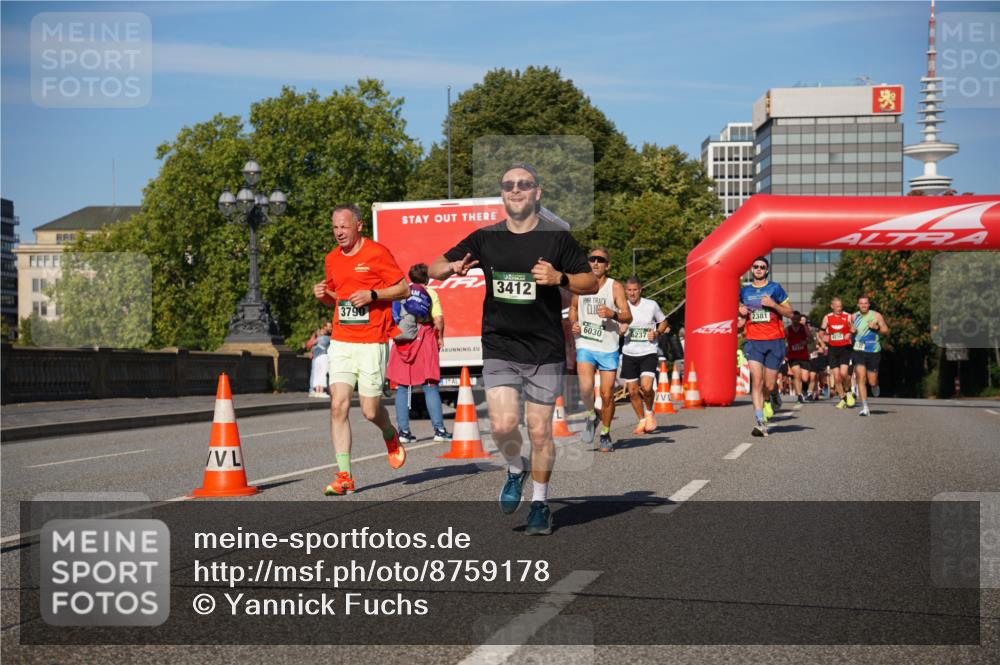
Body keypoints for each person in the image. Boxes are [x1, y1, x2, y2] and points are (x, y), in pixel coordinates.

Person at [429, 163, 597, 536]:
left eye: (524, 184)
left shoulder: (557, 240)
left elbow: (590, 282)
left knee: (540, 432)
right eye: (508, 185)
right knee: (505, 426)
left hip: (544, 350)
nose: (516, 190)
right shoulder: (486, 239)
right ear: (502, 194)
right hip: (500, 346)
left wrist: (561, 278)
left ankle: (540, 503)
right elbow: (435, 264)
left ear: (538, 192)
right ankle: (515, 469)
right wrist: (451, 267)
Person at [313, 204, 411, 496]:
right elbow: (336, 299)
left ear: (358, 226)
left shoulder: (377, 253)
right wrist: (323, 296)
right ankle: (344, 476)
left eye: (343, 226)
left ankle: (390, 434)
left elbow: (403, 289)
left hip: (372, 341)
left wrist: (373, 295)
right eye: (334, 227)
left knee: (369, 410)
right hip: (342, 340)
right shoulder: (332, 259)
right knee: (337, 405)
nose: (338, 232)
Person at [569, 247, 632, 452]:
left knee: (607, 395)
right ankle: (591, 415)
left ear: (608, 265)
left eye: (600, 260)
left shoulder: (615, 287)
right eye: (592, 259)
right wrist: (574, 324)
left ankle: (605, 432)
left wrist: (612, 313)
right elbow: (573, 309)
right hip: (585, 343)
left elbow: (627, 316)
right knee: (586, 388)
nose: (595, 263)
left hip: (608, 347)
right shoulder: (581, 284)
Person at [388, 264, 451, 445]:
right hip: (424, 339)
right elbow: (438, 319)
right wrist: (440, 337)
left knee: (402, 387)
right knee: (430, 385)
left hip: (403, 341)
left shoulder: (401, 292)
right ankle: (439, 430)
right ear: (427, 279)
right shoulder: (430, 293)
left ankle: (403, 433)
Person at [738, 256, 794, 437]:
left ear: (767, 270)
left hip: (775, 340)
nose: (759, 269)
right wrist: (740, 313)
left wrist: (773, 304)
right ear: (752, 269)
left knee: (768, 385)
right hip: (754, 341)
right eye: (756, 267)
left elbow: (790, 313)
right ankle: (761, 422)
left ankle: (772, 396)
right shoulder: (744, 292)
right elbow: (739, 322)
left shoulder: (775, 288)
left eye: (762, 267)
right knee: (757, 381)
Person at [618, 276, 668, 435]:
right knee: (632, 391)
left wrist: (657, 332)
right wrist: (621, 330)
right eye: (629, 290)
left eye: (635, 290)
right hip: (629, 352)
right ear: (625, 291)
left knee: (646, 387)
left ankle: (649, 412)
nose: (632, 293)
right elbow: (613, 327)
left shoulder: (651, 305)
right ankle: (641, 420)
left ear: (640, 290)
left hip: (648, 351)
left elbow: (664, 321)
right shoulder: (621, 307)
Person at [851, 295, 889, 417]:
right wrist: (850, 331)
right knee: (860, 378)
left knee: (871, 381)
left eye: (865, 303)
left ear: (869, 304)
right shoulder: (853, 316)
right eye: (861, 303)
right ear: (858, 305)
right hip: (858, 350)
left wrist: (876, 327)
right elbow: (850, 332)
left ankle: (875, 385)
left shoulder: (876, 316)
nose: (863, 305)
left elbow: (886, 331)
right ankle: (865, 407)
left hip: (873, 351)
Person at [821, 296, 855, 409]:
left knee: (844, 373)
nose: (839, 309)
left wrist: (850, 333)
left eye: (840, 306)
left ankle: (848, 391)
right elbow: (821, 333)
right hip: (832, 349)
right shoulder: (827, 317)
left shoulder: (848, 316)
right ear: (832, 306)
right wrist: (824, 338)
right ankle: (842, 399)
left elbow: (854, 329)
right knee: (836, 377)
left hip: (845, 348)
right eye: (836, 307)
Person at [785, 311, 810, 404]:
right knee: (796, 374)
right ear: (791, 319)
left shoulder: (804, 328)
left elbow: (810, 338)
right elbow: (782, 339)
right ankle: (799, 395)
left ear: (800, 319)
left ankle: (804, 389)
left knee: (805, 378)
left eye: (797, 319)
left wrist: (805, 342)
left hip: (803, 355)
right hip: (793, 356)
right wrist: (785, 352)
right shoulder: (787, 329)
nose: (795, 321)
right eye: (794, 319)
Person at [308, 321, 332, 397]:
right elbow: (308, 344)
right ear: (324, 327)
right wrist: (313, 344)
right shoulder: (317, 335)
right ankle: (313, 390)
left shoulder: (330, 335)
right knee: (316, 373)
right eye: (329, 326)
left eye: (331, 326)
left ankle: (323, 390)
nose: (331, 328)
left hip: (325, 356)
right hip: (317, 356)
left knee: (324, 374)